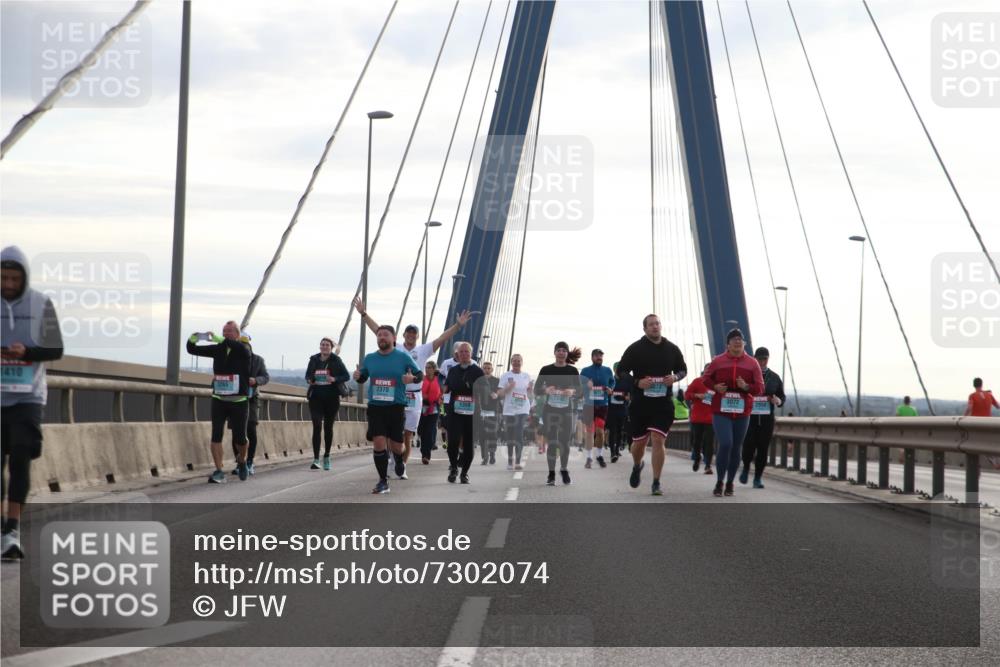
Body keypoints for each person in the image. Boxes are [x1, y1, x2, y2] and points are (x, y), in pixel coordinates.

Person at [354, 299, 472, 479]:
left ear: (417, 336)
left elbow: (442, 338)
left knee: (407, 435)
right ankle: (391, 462)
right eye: (408, 333)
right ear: (402, 335)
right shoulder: (396, 347)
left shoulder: (424, 349)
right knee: (391, 434)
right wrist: (364, 314)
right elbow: (379, 331)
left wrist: (458, 325)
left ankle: (402, 464)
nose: (410, 336)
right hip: (395, 396)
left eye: (413, 334)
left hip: (414, 396)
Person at [1, 246, 63, 560]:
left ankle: (12, 529)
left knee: (21, 458)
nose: (9, 284)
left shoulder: (41, 303)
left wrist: (26, 352)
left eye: (15, 278)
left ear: (24, 277)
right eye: (3, 278)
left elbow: (56, 349)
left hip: (28, 396)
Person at [618, 314, 688, 496]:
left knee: (658, 439)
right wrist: (637, 382)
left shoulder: (671, 349)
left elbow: (683, 370)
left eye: (657, 323)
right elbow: (621, 371)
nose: (655, 327)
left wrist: (675, 377)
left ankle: (656, 482)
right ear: (645, 329)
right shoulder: (635, 349)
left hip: (663, 404)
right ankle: (637, 465)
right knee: (638, 445)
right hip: (640, 404)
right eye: (651, 324)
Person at [353, 325, 423, 494]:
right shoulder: (370, 358)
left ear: (394, 338)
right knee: (379, 443)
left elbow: (419, 375)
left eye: (385, 335)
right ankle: (383, 481)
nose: (382, 337)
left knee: (397, 446)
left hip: (396, 407)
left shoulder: (403, 357)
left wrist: (412, 378)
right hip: (376, 407)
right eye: (379, 335)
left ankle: (399, 460)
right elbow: (363, 377)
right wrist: (358, 377)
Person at [187, 321, 253, 483]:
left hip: (239, 400)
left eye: (229, 331)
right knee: (216, 435)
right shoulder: (219, 348)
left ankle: (242, 460)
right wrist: (193, 339)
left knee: (240, 438)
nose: (225, 334)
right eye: (224, 331)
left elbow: (238, 347)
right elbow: (192, 350)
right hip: (219, 399)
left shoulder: (243, 349)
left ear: (237, 334)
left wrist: (221, 339)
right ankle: (219, 470)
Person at [702, 329, 764, 497]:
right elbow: (705, 379)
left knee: (736, 447)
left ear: (744, 344)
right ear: (727, 345)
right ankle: (719, 481)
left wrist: (746, 387)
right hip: (721, 410)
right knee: (726, 443)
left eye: (740, 340)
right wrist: (715, 387)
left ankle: (730, 482)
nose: (737, 342)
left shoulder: (752, 363)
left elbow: (760, 388)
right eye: (734, 339)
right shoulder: (718, 361)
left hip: (742, 411)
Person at [535, 342, 583, 486]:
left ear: (567, 354)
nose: (561, 353)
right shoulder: (546, 369)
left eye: (564, 350)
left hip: (566, 411)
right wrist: (545, 390)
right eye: (559, 350)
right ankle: (551, 474)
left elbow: (580, 392)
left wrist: (572, 391)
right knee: (552, 442)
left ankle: (564, 469)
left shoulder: (572, 370)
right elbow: (536, 389)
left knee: (564, 442)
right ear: (554, 353)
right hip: (550, 410)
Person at [740, 347, 784, 489]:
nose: (762, 361)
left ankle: (758, 478)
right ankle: (746, 467)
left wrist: (778, 400)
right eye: (760, 359)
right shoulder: (748, 375)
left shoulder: (775, 377)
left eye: (765, 359)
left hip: (766, 419)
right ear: (755, 359)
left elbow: (782, 396)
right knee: (748, 446)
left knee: (763, 449)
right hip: (750, 418)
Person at [305, 337, 350, 470]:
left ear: (331, 347)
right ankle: (316, 459)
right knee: (317, 425)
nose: (324, 347)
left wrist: (334, 379)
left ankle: (327, 456)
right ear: (320, 346)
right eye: (322, 345)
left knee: (328, 427)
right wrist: (310, 380)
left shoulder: (336, 360)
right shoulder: (314, 359)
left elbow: (346, 376)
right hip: (316, 398)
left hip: (332, 398)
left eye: (327, 345)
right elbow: (307, 375)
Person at [443, 342, 484, 484]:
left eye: (466, 352)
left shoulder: (478, 371)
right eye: (461, 352)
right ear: (457, 355)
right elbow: (447, 388)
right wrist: (442, 390)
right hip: (455, 411)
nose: (464, 354)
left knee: (468, 444)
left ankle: (464, 473)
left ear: (471, 354)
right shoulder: (453, 370)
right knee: (453, 441)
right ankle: (454, 467)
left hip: (472, 413)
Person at [232, 334, 269, 476]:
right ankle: (240, 462)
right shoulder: (231, 359)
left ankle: (250, 462)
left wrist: (256, 380)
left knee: (251, 429)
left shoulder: (258, 360)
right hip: (234, 398)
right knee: (237, 432)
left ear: (249, 346)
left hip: (251, 399)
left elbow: (265, 377)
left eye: (245, 345)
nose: (243, 347)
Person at [497, 354, 533, 471]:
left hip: (523, 409)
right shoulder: (505, 376)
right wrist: (508, 388)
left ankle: (517, 462)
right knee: (510, 435)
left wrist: (530, 390)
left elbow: (530, 393)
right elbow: (500, 393)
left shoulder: (526, 376)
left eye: (519, 361)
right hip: (509, 410)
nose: (517, 363)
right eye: (514, 361)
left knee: (518, 433)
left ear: (522, 362)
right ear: (511, 362)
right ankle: (510, 461)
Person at [580, 348, 615, 469]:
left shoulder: (607, 370)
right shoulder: (585, 371)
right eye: (596, 356)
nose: (599, 357)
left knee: (600, 432)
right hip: (589, 405)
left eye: (600, 356)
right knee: (590, 432)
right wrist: (586, 385)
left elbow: (612, 382)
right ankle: (589, 457)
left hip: (602, 405)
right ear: (592, 357)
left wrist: (610, 389)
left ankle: (599, 455)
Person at [685, 364, 715, 475]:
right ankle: (697, 458)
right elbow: (687, 395)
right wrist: (697, 395)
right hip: (697, 418)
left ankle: (708, 466)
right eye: (707, 370)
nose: (709, 372)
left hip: (711, 419)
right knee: (696, 442)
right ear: (704, 371)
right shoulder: (697, 381)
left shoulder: (717, 384)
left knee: (709, 443)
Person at [477, 361, 502, 465]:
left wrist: (497, 395)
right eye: (485, 368)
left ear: (492, 370)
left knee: (492, 434)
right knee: (482, 435)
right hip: (481, 411)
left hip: (493, 410)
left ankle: (492, 454)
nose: (486, 370)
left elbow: (501, 393)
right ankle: (485, 457)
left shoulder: (497, 381)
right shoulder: (478, 381)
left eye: (488, 368)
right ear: (482, 369)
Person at [606, 362, 631, 463]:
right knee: (612, 431)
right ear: (614, 369)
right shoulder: (610, 380)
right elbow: (605, 391)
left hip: (622, 408)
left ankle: (617, 450)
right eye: (617, 369)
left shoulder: (626, 381)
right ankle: (613, 453)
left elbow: (629, 394)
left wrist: (627, 397)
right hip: (611, 408)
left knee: (620, 431)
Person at [418, 360, 442, 464]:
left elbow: (444, 390)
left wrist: (440, 399)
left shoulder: (439, 379)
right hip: (422, 407)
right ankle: (424, 449)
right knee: (422, 431)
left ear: (434, 369)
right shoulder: (422, 379)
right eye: (426, 367)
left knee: (429, 431)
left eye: (429, 368)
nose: (427, 369)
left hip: (434, 408)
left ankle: (426, 455)